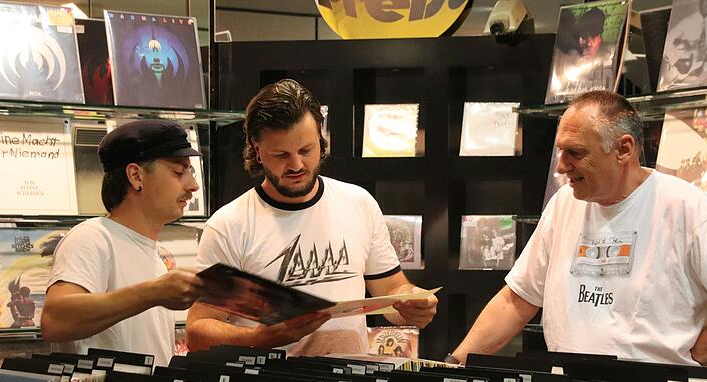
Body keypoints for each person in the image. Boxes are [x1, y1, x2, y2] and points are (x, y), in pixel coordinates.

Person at [450, 90, 707, 378]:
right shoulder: (564, 203)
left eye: (575, 153)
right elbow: (516, 301)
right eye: (560, 151)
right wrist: (454, 364)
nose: (561, 166)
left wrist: (701, 350)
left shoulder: (686, 207)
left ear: (623, 149)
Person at [186, 79, 438, 356]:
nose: (296, 165)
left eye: (306, 150)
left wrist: (413, 305)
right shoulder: (229, 225)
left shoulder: (358, 203)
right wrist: (265, 336)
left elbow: (391, 289)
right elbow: (198, 332)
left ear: (321, 139)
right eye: (281, 155)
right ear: (257, 151)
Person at [41, 120, 211, 366]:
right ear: (135, 175)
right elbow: (56, 320)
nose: (193, 186)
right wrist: (154, 292)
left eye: (190, 173)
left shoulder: (154, 256)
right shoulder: (92, 237)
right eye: (179, 172)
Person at [659, 0, 707, 89]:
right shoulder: (687, 21)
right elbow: (667, 40)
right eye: (706, 1)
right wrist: (676, 62)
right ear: (700, 2)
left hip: (700, 68)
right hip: (680, 72)